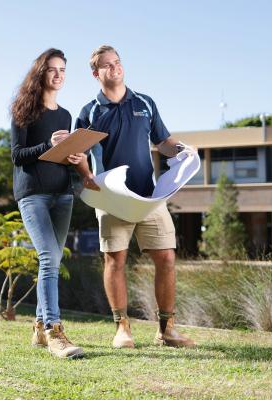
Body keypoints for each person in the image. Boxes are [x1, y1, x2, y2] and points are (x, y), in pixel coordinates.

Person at [70, 45, 195, 349]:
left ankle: (167, 330)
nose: (114, 68)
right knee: (115, 260)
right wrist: (86, 176)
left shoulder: (145, 103)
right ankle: (122, 329)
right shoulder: (90, 112)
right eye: (107, 65)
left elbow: (163, 142)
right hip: (112, 198)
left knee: (166, 257)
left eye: (117, 63)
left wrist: (185, 152)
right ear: (95, 73)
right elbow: (80, 154)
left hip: (150, 196)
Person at [10, 48, 85, 359]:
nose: (59, 75)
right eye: (53, 69)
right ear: (40, 73)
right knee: (47, 258)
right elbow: (18, 156)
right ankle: (55, 332)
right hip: (33, 195)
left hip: (62, 194)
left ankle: (40, 329)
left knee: (52, 261)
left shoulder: (65, 115)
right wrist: (48, 145)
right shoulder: (22, 111)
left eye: (63, 70)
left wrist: (75, 157)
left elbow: (61, 159)